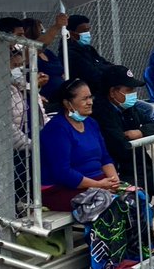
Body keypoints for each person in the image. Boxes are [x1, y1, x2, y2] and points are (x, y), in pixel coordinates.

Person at [91, 64, 154, 240]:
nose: (133, 93)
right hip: (120, 171)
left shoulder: (129, 108)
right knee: (136, 197)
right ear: (113, 92)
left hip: (141, 166)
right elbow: (120, 145)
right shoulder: (101, 111)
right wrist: (136, 134)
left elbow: (152, 124)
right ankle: (142, 244)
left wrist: (139, 133)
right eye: (129, 89)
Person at [38, 79, 121, 212]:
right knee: (111, 205)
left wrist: (114, 181)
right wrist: (98, 185)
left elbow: (105, 158)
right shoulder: (57, 129)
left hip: (96, 184)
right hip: (61, 189)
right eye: (84, 99)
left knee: (136, 197)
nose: (90, 102)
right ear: (67, 103)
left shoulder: (91, 123)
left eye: (90, 97)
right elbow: (63, 173)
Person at [0, 44, 47, 157]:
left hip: (34, 149)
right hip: (8, 154)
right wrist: (34, 146)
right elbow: (5, 128)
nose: (19, 69)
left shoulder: (27, 89)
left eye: (21, 65)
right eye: (15, 65)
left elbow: (43, 118)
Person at [21, 16, 67, 107]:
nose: (44, 32)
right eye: (41, 30)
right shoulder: (24, 53)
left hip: (62, 94)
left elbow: (60, 69)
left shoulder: (48, 53)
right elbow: (38, 46)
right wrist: (56, 26)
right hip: (46, 98)